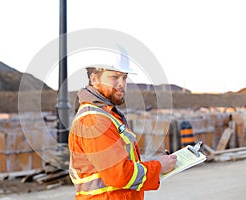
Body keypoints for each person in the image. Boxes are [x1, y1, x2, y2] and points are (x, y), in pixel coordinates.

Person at [68, 48, 177, 200]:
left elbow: (120, 163)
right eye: (114, 77)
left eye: (124, 77)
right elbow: (119, 174)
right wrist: (158, 167)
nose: (121, 84)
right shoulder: (94, 120)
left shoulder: (108, 115)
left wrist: (154, 162)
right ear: (94, 79)